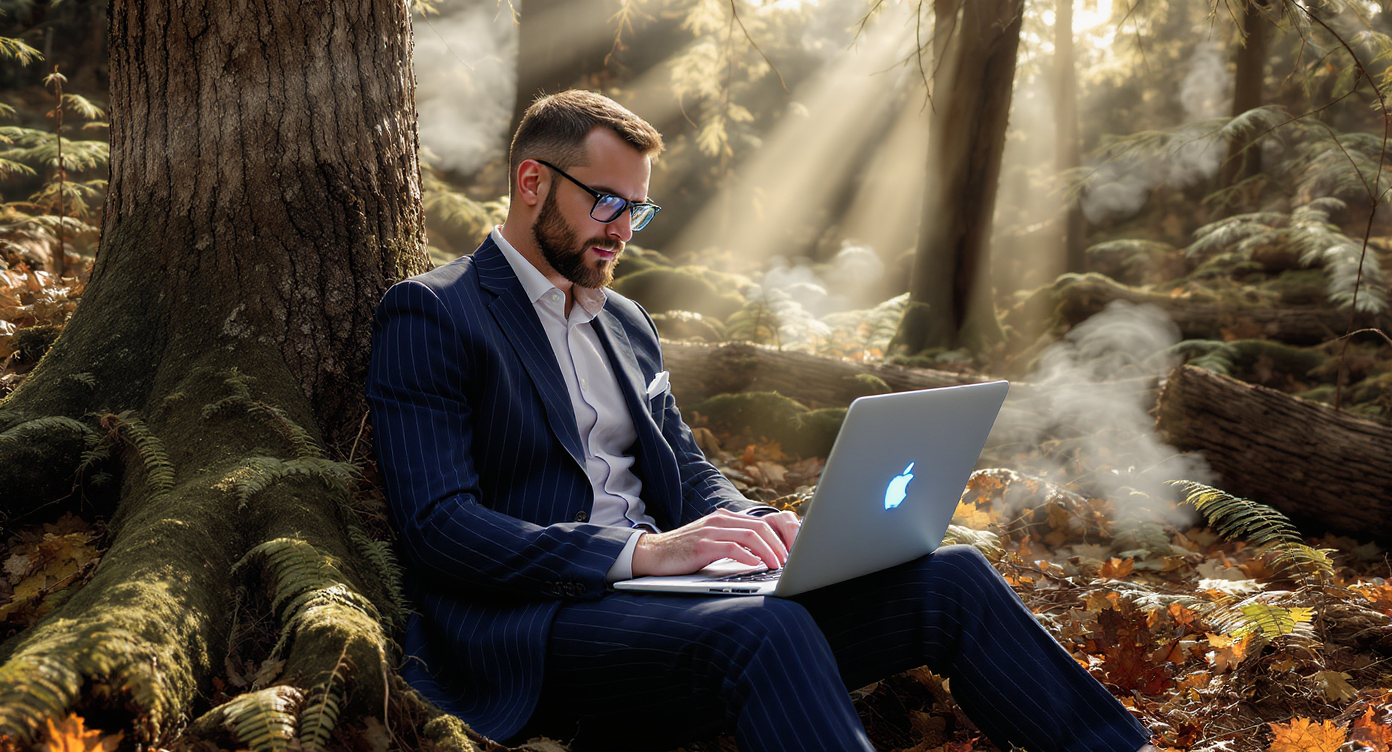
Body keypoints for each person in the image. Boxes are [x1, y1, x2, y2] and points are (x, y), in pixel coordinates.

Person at [367, 89, 1156, 752]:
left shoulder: (626, 323)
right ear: (531, 181)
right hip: (537, 630)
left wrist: (757, 526)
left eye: (638, 210)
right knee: (764, 635)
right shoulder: (436, 312)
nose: (622, 230)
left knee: (953, 579)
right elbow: (440, 526)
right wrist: (641, 553)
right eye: (606, 201)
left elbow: (684, 463)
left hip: (675, 604)